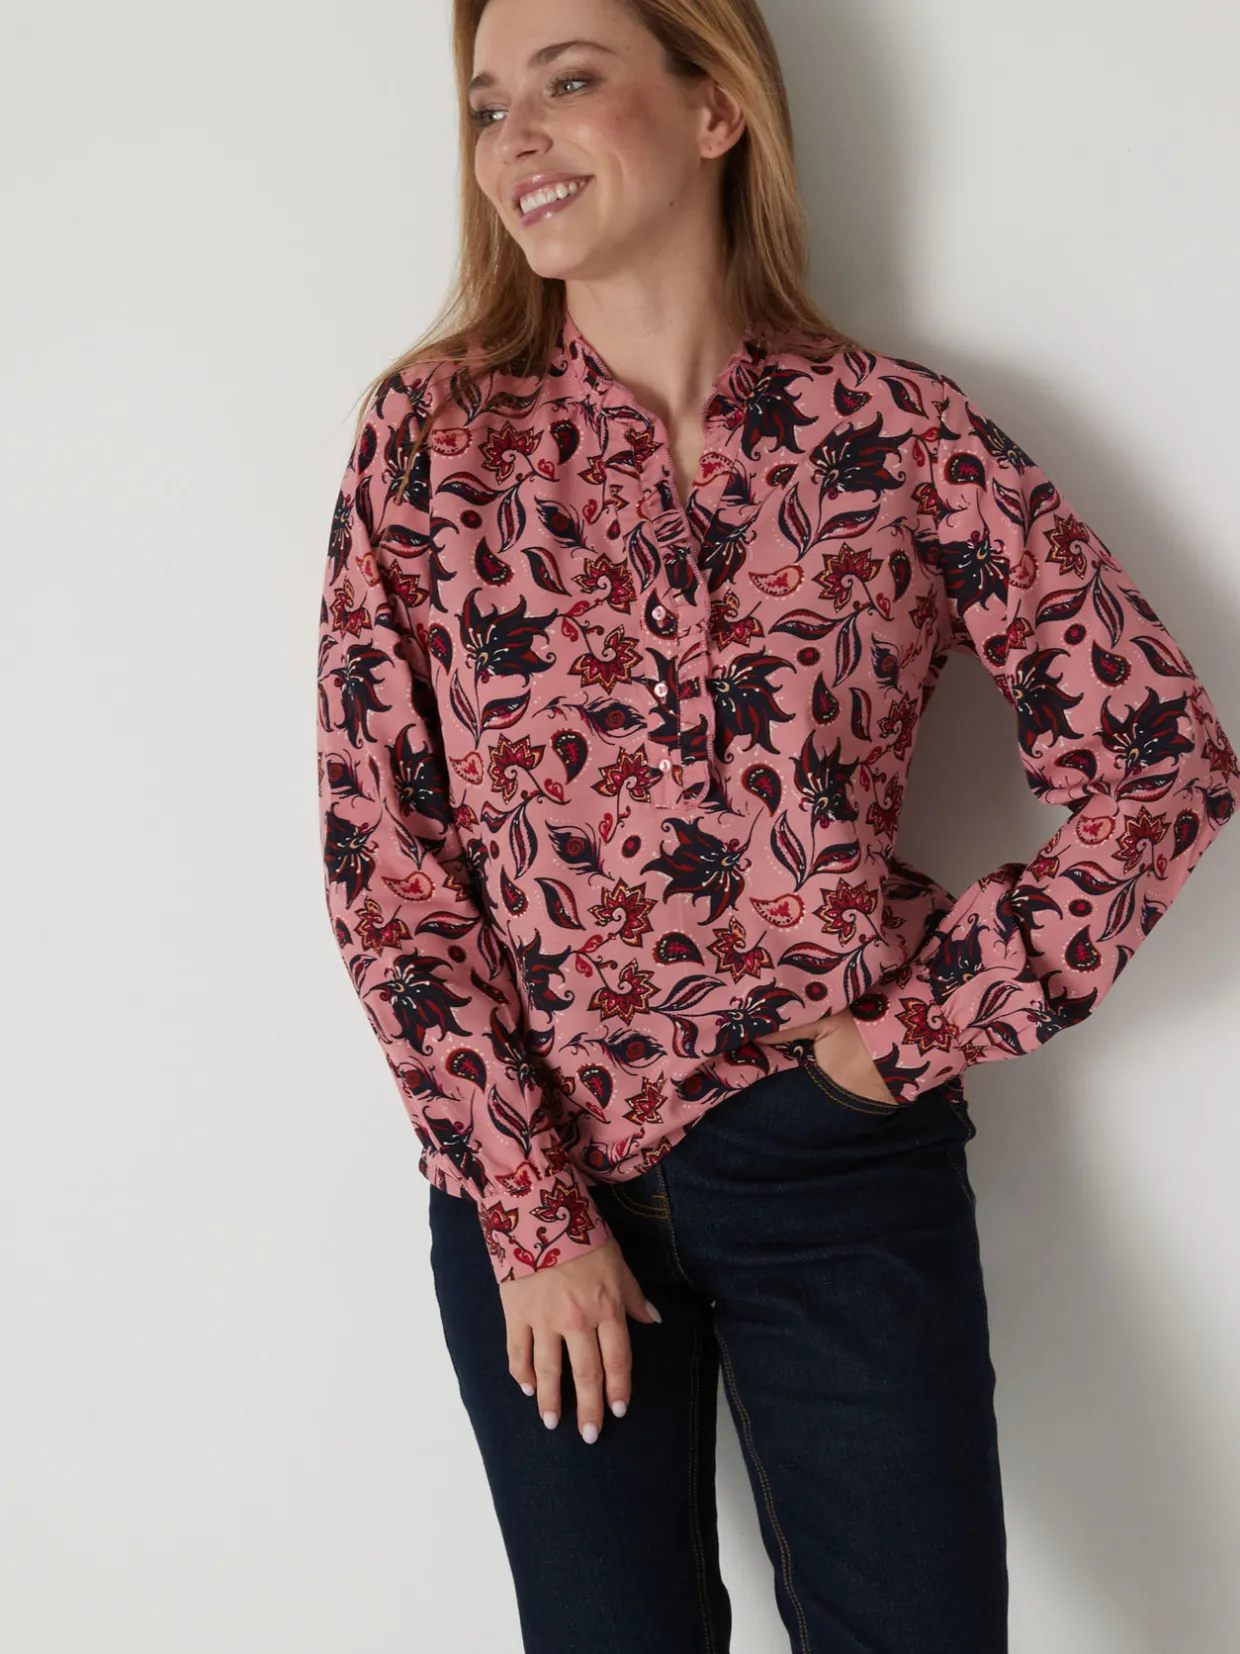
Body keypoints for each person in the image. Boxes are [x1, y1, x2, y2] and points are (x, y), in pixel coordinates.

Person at [315, 1, 1237, 1649]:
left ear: (715, 106)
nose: (517, 139)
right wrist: (529, 1210)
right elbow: (387, 863)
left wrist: (897, 1045)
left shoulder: (897, 435)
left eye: (570, 80)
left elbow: (1161, 761)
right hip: (546, 1179)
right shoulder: (432, 445)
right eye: (488, 105)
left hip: (835, 1158)